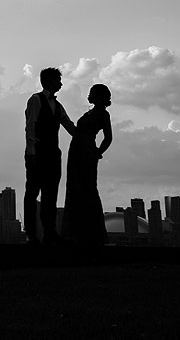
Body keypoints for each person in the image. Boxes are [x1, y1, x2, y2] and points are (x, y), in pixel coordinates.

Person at [23, 67, 77, 245]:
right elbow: (30, 126)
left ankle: (49, 233)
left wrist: (85, 137)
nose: (61, 83)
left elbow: (69, 126)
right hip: (38, 152)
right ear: (49, 81)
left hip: (53, 154)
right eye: (58, 80)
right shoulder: (35, 100)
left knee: (51, 194)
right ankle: (31, 234)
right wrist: (31, 152)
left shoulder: (58, 105)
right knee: (32, 193)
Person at [61, 83, 113, 245]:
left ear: (99, 96)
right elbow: (77, 132)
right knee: (74, 190)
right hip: (75, 152)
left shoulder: (103, 114)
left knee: (88, 189)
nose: (88, 94)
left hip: (87, 153)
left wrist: (98, 152)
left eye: (92, 92)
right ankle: (74, 233)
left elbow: (108, 137)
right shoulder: (89, 113)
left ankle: (93, 234)